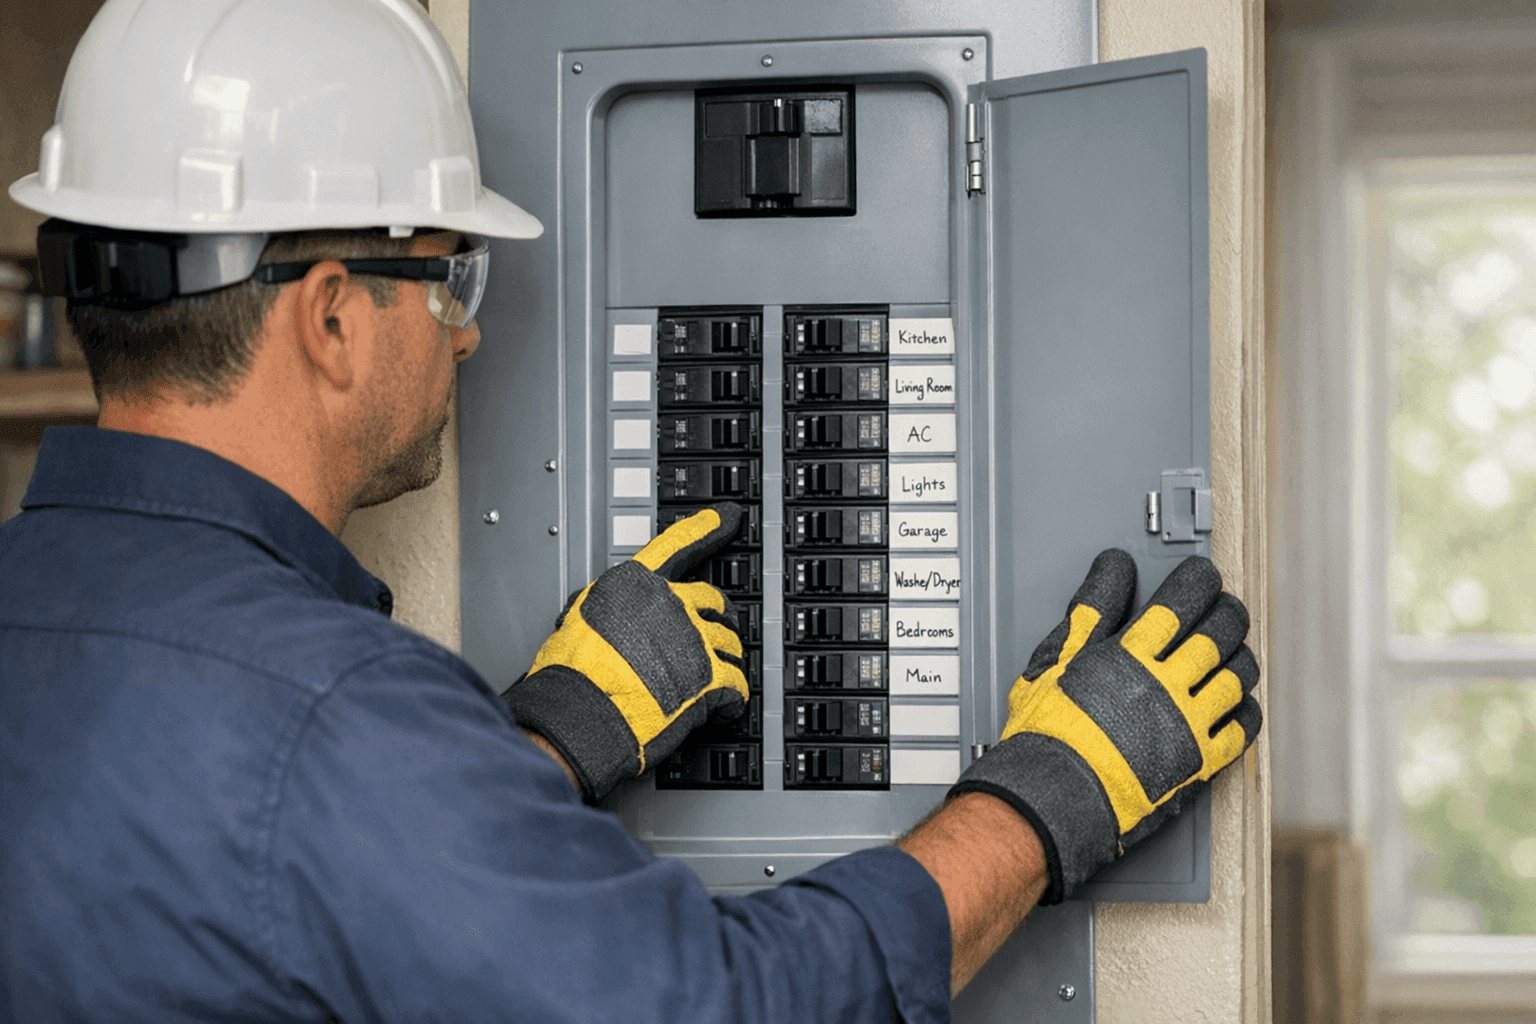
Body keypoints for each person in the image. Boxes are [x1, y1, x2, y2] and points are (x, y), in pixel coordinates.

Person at [0, 1, 1262, 1021]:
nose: (474, 328)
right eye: (450, 279)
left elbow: (270, 902)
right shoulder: (341, 718)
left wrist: (534, 748)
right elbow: (726, 1007)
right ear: (332, 316)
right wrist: (1041, 798)